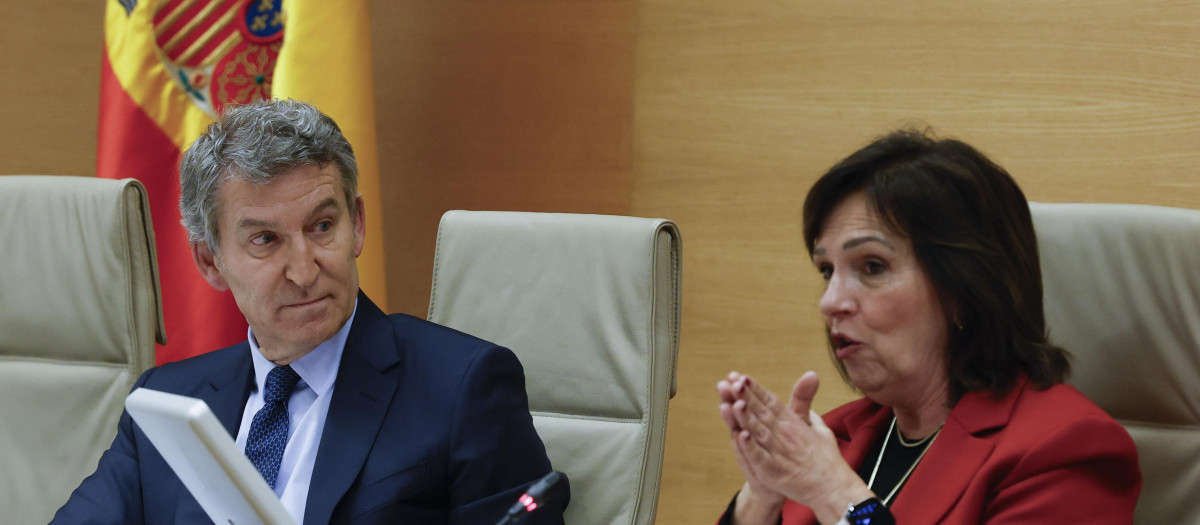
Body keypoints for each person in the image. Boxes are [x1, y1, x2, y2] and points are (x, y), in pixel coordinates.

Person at [53, 99, 567, 524]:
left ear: (357, 224)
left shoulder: (461, 389)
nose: (303, 269)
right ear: (210, 261)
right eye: (265, 240)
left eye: (322, 227)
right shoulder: (166, 403)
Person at [715, 129, 1140, 524]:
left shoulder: (1062, 451)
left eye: (872, 266)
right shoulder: (837, 437)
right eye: (827, 271)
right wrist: (761, 498)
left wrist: (834, 493)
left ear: (964, 289)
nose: (830, 302)